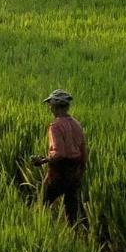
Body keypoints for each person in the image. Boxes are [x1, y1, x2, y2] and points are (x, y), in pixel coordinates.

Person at [32, 89, 87, 227]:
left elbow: (59, 153)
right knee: (72, 211)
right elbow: (83, 150)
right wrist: (81, 170)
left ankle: (39, 228)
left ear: (55, 106)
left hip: (59, 171)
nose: (49, 107)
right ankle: (75, 236)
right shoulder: (76, 124)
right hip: (74, 171)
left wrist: (43, 160)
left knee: (42, 203)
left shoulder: (55, 126)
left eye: (50, 104)